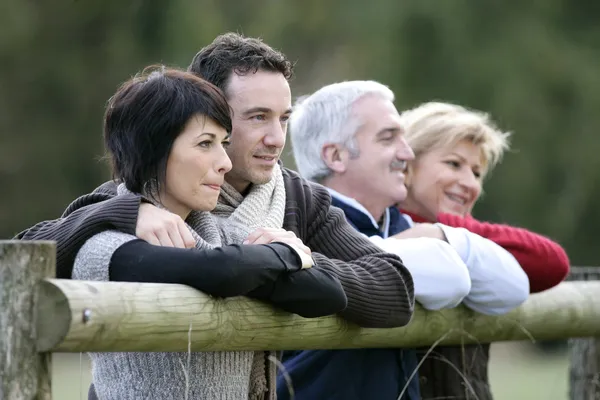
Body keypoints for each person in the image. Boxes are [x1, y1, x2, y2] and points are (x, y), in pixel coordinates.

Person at [16, 33, 416, 398]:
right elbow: (26, 255)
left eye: (284, 118)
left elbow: (395, 289)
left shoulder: (295, 196)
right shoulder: (150, 193)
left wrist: (297, 256)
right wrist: (126, 211)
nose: (277, 138)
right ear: (207, 112)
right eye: (258, 117)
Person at [75, 65, 347, 399]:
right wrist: (286, 253)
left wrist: (270, 258)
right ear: (154, 150)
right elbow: (219, 271)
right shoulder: (103, 245)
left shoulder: (222, 235)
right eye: (206, 144)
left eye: (224, 143)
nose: (225, 163)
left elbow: (329, 294)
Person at [280, 80, 530, 400]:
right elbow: (452, 278)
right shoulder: (298, 225)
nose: (407, 152)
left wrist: (440, 235)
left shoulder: (396, 223)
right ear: (336, 155)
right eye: (388, 138)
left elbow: (513, 288)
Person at [396, 101, 570, 399]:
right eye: (453, 164)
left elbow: (552, 263)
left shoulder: (469, 240)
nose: (469, 184)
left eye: (477, 173)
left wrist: (445, 232)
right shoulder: (374, 227)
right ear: (407, 163)